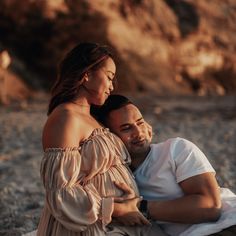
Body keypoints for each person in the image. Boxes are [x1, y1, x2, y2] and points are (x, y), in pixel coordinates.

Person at [36, 43, 167, 236]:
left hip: (115, 221)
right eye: (109, 77)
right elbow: (60, 193)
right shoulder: (66, 118)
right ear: (87, 74)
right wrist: (117, 209)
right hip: (91, 226)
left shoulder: (92, 116)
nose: (112, 86)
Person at [91, 94, 236, 236]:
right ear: (109, 138)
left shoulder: (176, 149)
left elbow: (211, 207)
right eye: (126, 128)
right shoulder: (113, 176)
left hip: (227, 224)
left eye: (140, 122)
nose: (138, 132)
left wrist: (139, 207)